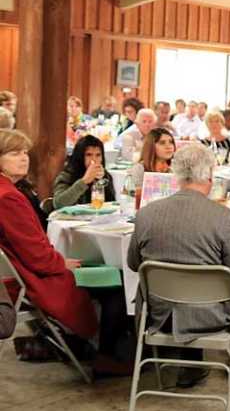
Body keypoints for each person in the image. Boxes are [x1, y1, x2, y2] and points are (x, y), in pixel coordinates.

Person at [127, 144, 230, 390]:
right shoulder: (223, 217)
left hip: (161, 314)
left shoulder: (147, 214)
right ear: (210, 176)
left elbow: (133, 264)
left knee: (186, 288)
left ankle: (191, 369)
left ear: (176, 174)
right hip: (211, 314)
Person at [0, 129, 130, 376]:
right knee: (118, 283)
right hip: (36, 279)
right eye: (15, 153)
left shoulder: (8, 191)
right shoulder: (8, 198)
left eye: (25, 152)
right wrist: (62, 263)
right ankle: (105, 357)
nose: (24, 158)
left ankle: (83, 346)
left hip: (22, 273)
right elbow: (38, 256)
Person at [53, 135, 116, 210]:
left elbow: (111, 204)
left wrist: (102, 181)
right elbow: (59, 204)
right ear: (80, 156)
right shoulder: (67, 176)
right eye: (89, 155)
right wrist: (84, 181)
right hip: (73, 220)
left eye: (98, 155)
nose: (94, 160)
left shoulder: (105, 176)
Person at [130, 128, 176, 199]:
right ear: (151, 147)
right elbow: (134, 197)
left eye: (171, 142)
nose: (168, 146)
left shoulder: (175, 167)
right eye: (162, 143)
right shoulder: (139, 168)